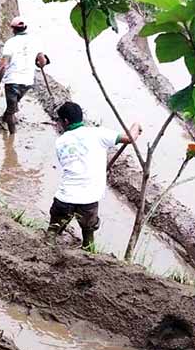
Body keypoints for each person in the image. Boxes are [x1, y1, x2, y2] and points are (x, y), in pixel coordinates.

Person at [49, 101, 141, 249]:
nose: (59, 124)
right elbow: (129, 138)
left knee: (53, 232)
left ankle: (44, 254)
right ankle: (89, 257)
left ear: (65, 121)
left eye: (59, 121)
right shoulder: (98, 133)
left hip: (64, 197)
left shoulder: (60, 142)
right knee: (88, 234)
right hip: (88, 200)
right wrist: (136, 125)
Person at [0, 16, 49, 134]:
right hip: (27, 82)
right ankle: (5, 118)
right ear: (26, 28)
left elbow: (3, 67)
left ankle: (11, 138)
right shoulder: (36, 41)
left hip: (12, 82)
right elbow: (42, 62)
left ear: (13, 29)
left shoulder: (10, 43)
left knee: (11, 112)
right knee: (12, 106)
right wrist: (39, 64)